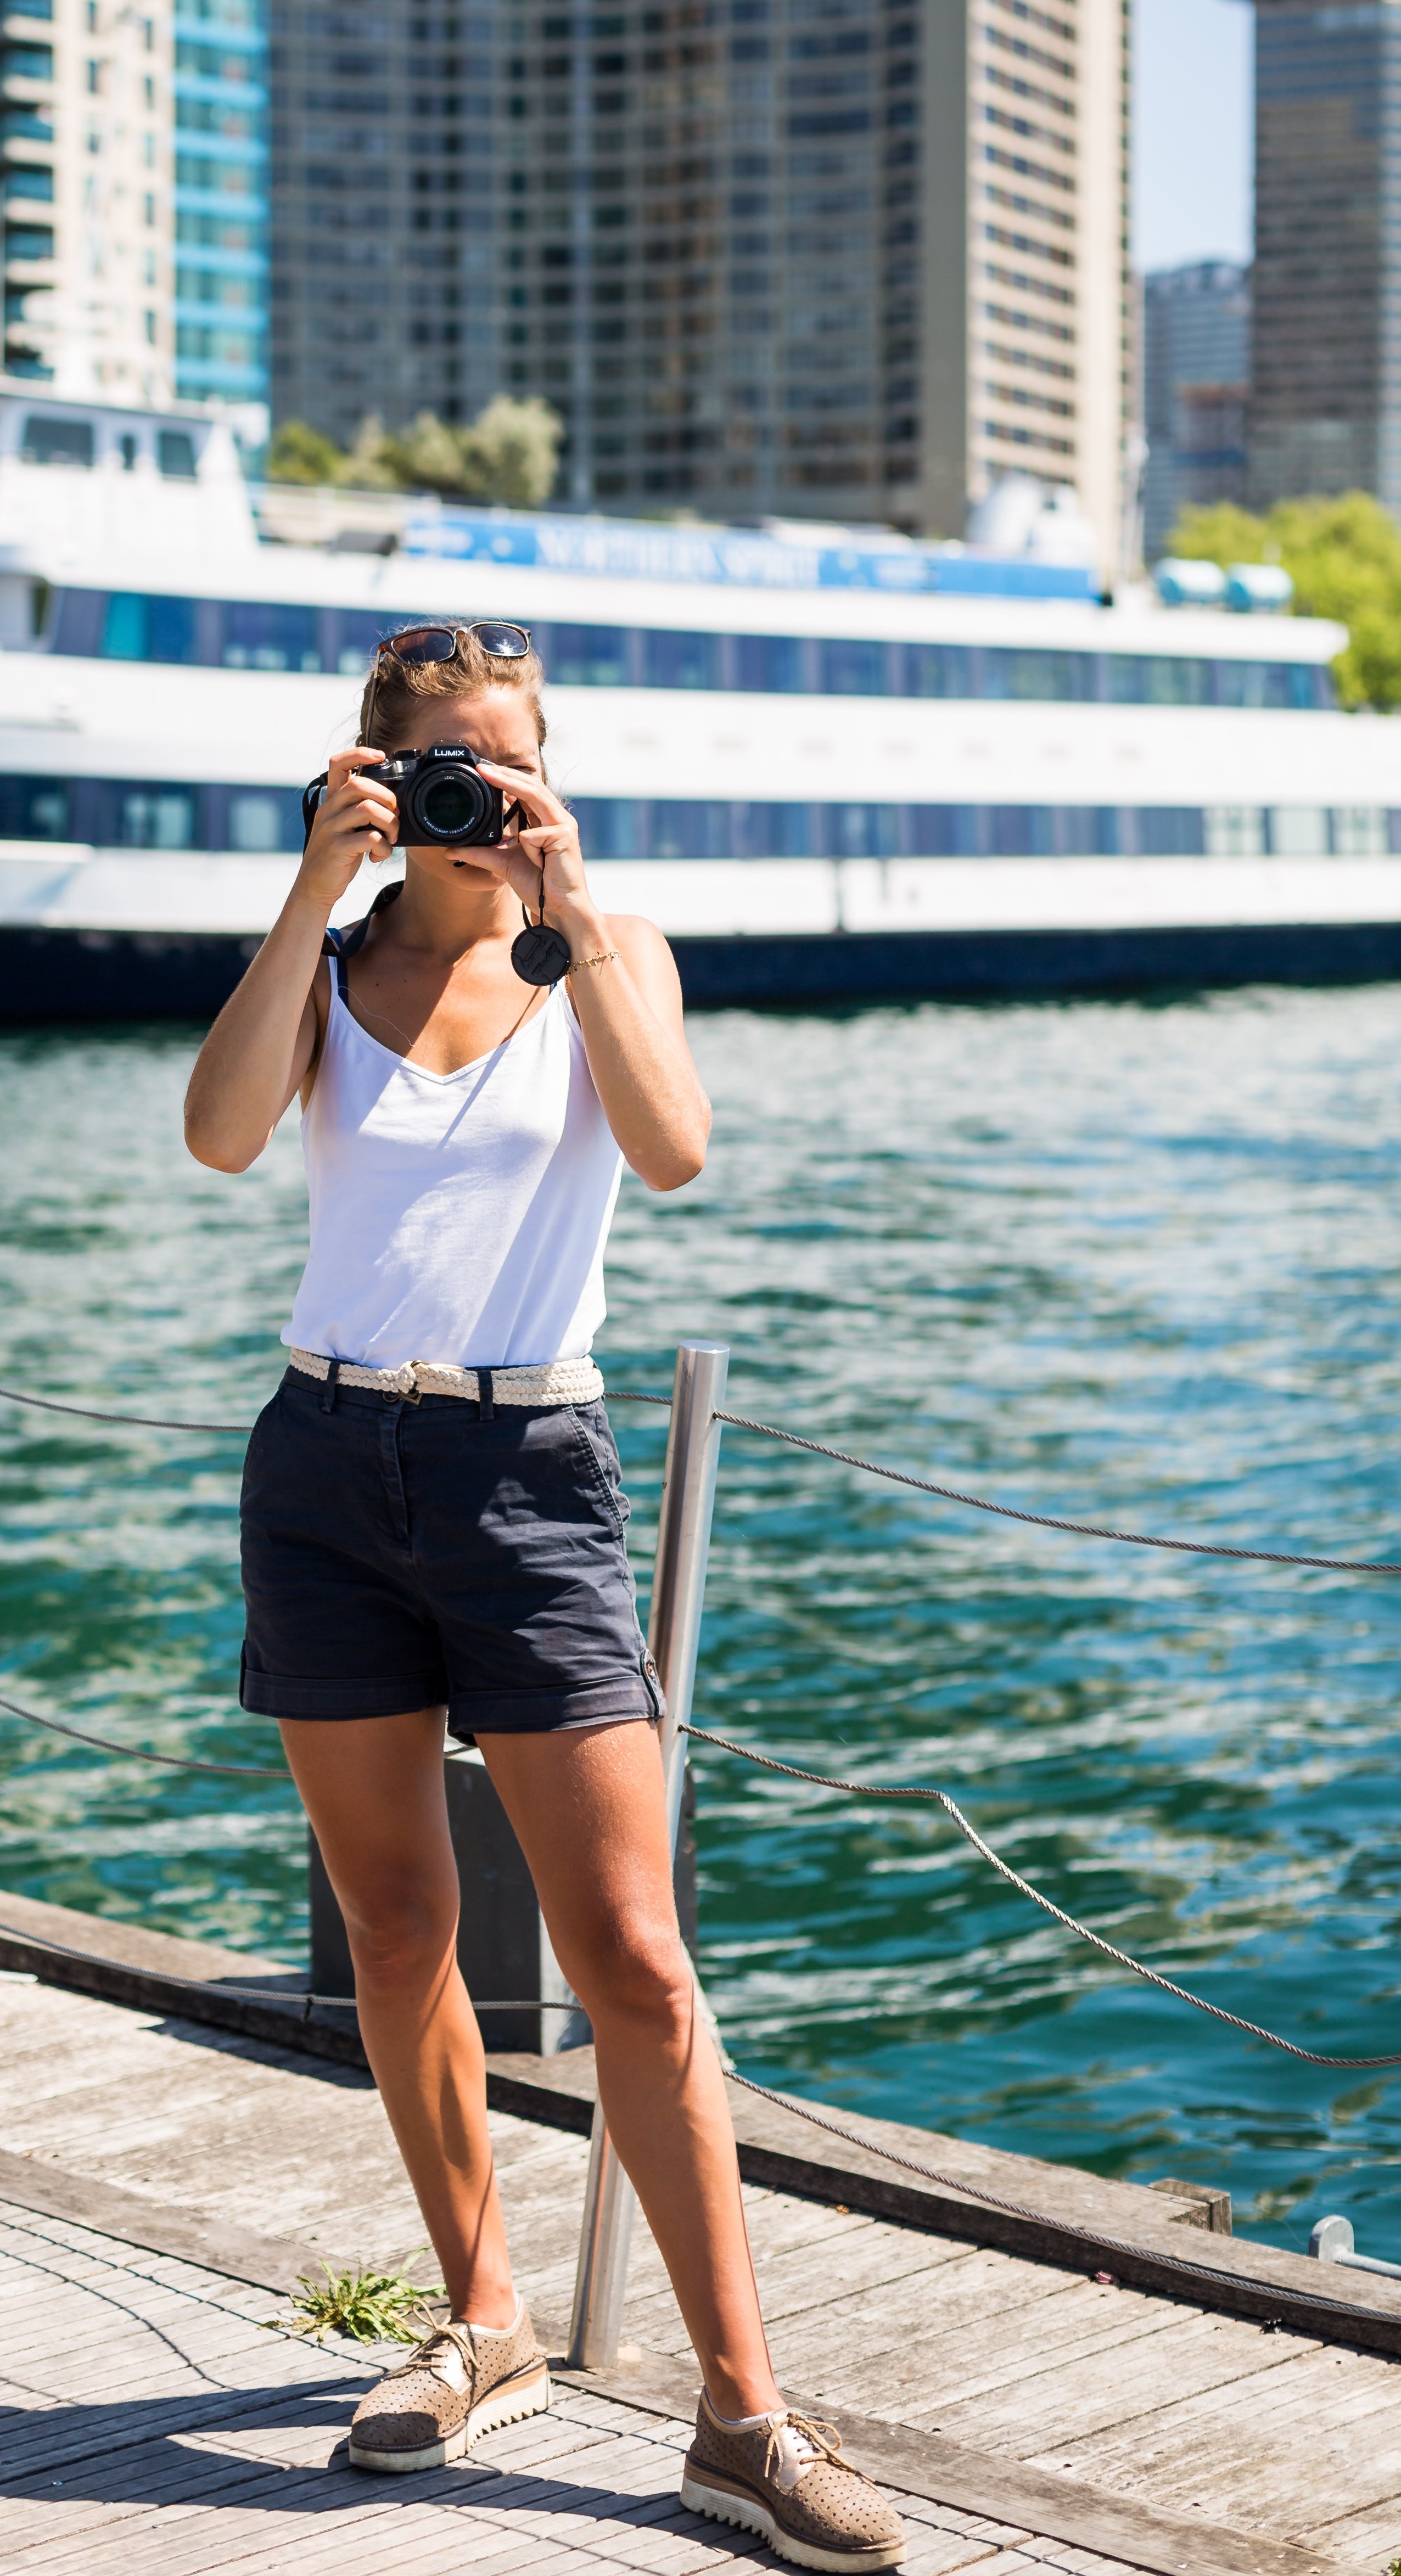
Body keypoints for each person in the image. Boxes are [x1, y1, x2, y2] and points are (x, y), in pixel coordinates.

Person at [184, 620, 905, 2573]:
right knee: (398, 1923)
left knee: (637, 1967)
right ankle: (483, 2319)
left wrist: (571, 911)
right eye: (450, 770)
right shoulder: (332, 969)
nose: (486, 800)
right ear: (376, 775)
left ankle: (744, 2421)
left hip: (531, 1474)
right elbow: (222, 1133)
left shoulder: (603, 951)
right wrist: (306, 891)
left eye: (514, 764)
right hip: (327, 1467)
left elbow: (671, 1152)